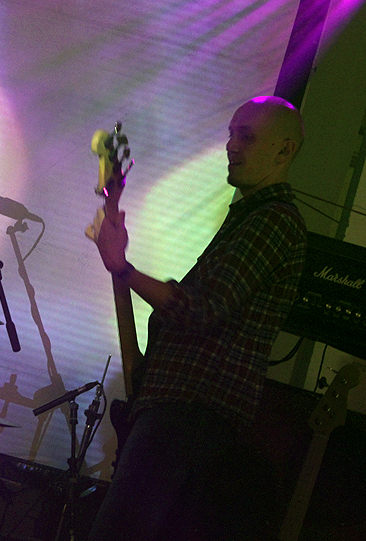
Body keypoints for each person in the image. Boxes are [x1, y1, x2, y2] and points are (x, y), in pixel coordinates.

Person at [86, 96, 308, 541]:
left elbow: (200, 310)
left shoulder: (274, 222)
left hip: (189, 422)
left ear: (285, 151)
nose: (231, 145)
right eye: (230, 134)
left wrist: (123, 268)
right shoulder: (247, 219)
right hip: (174, 419)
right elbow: (158, 345)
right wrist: (117, 250)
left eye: (247, 136)